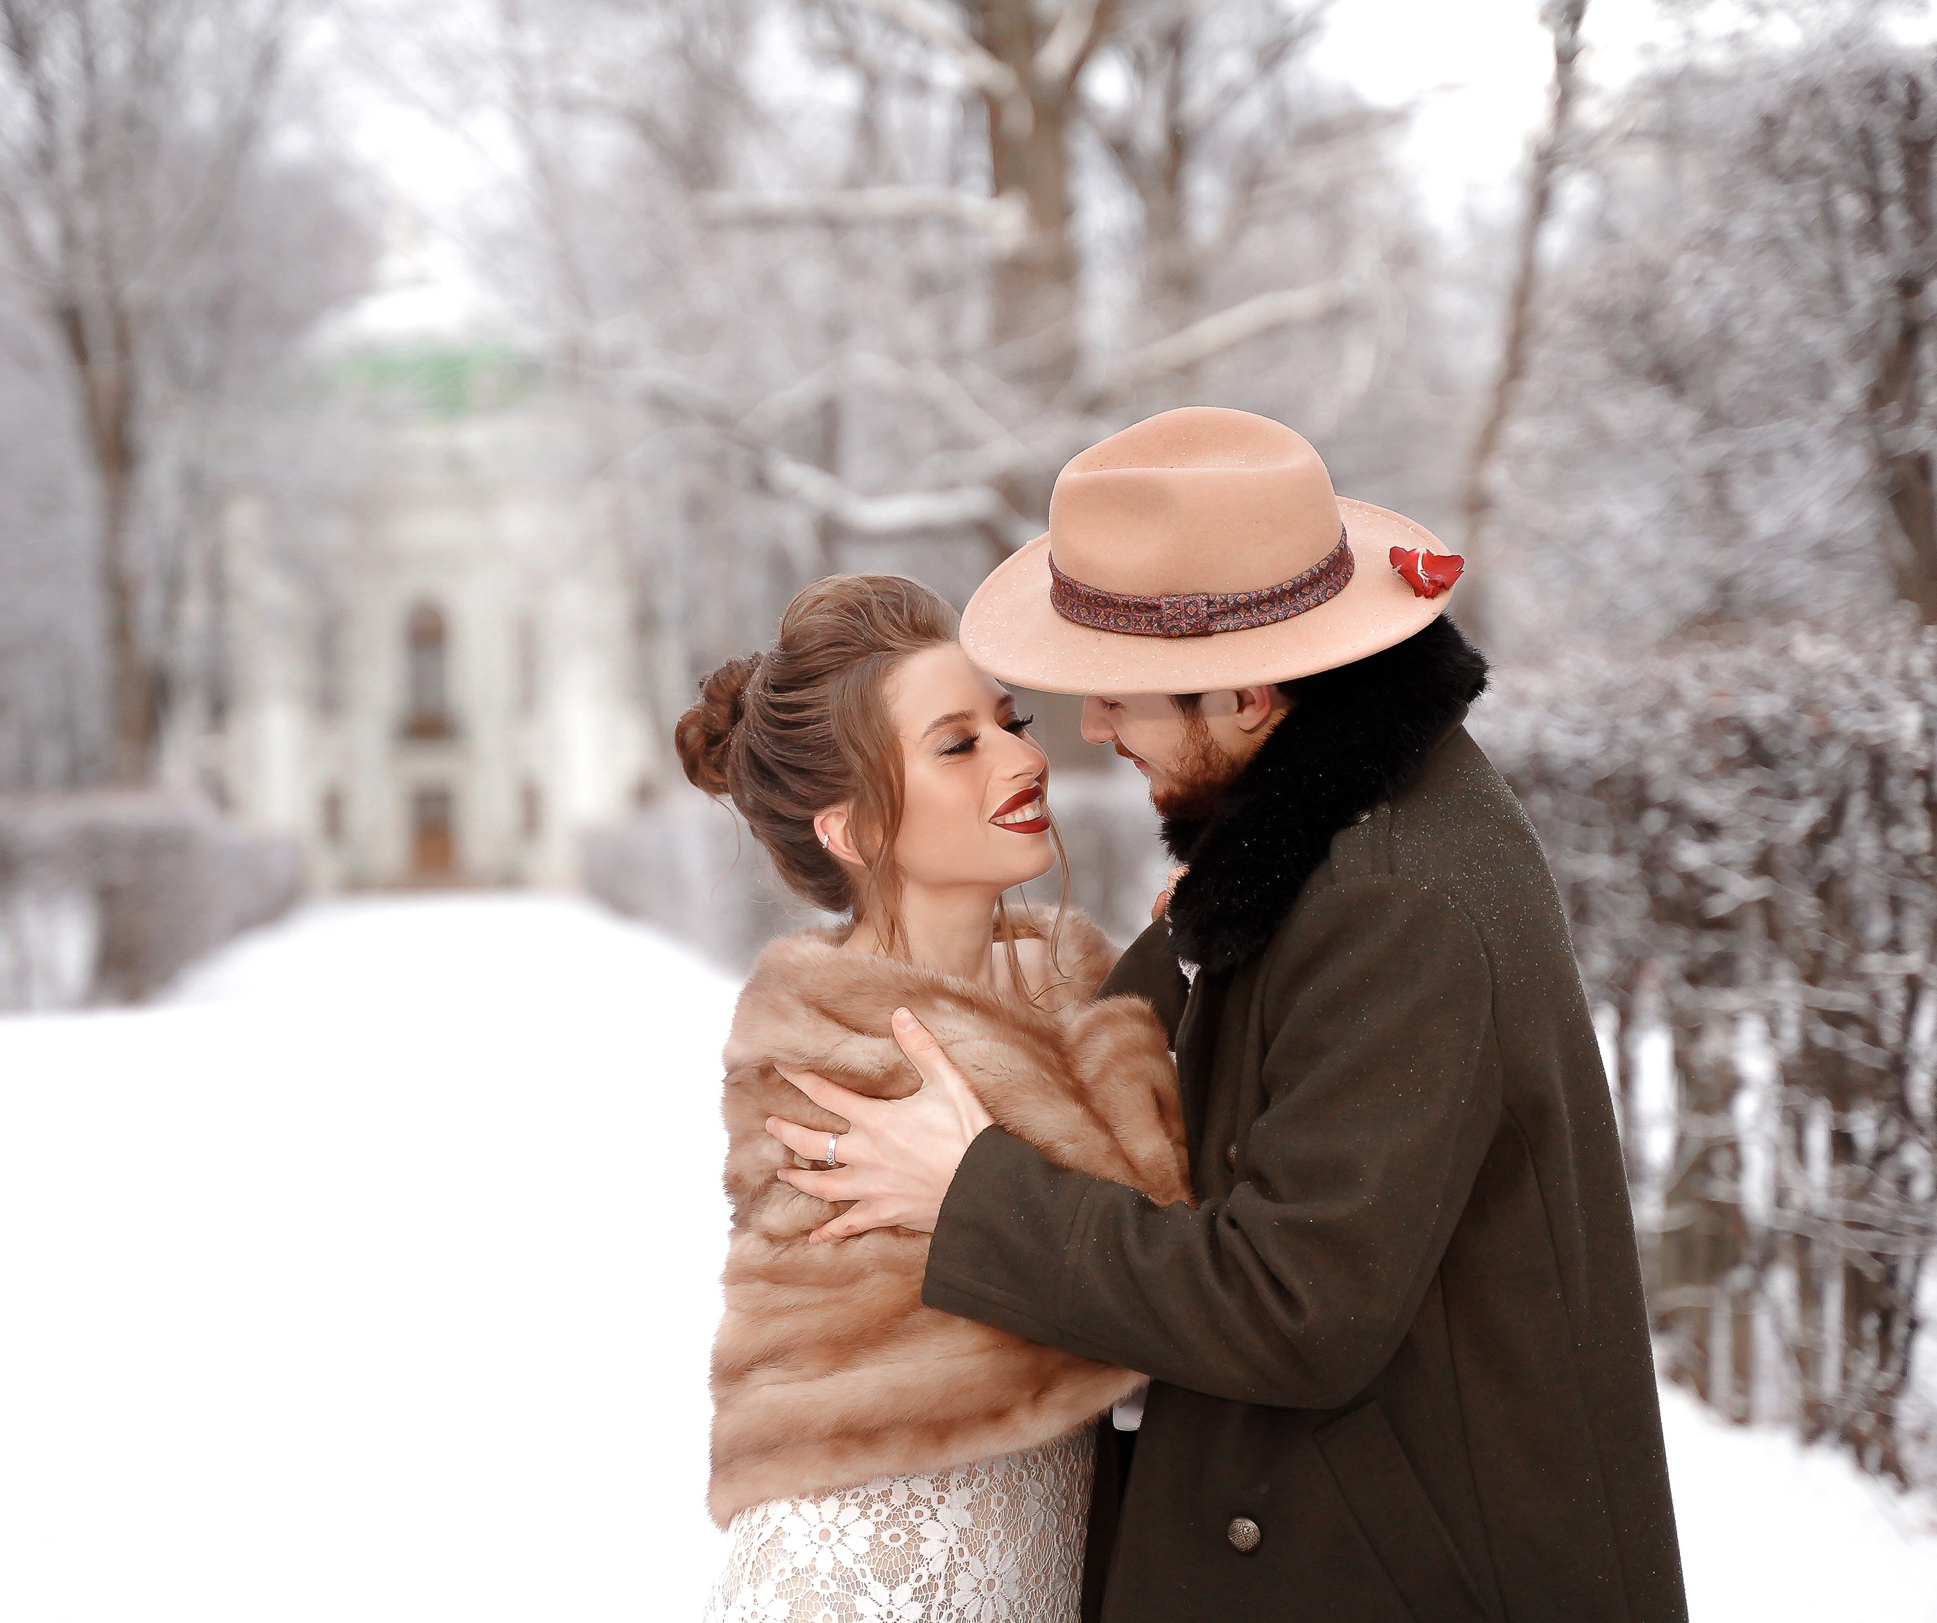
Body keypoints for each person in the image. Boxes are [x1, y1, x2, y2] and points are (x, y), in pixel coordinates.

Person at [769, 407, 1688, 1622]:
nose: (1088, 731)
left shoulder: (1397, 896)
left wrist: (971, 1191)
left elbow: (1297, 1304)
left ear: (1249, 693)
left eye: (1124, 697)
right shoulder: (1306, 846)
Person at [682, 573, 1196, 1623]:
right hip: (866, 1572)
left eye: (1010, 721)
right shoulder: (843, 1067)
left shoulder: (1080, 995)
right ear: (853, 829)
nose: (1025, 756)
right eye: (958, 744)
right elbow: (1156, 1300)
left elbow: (1153, 1266)